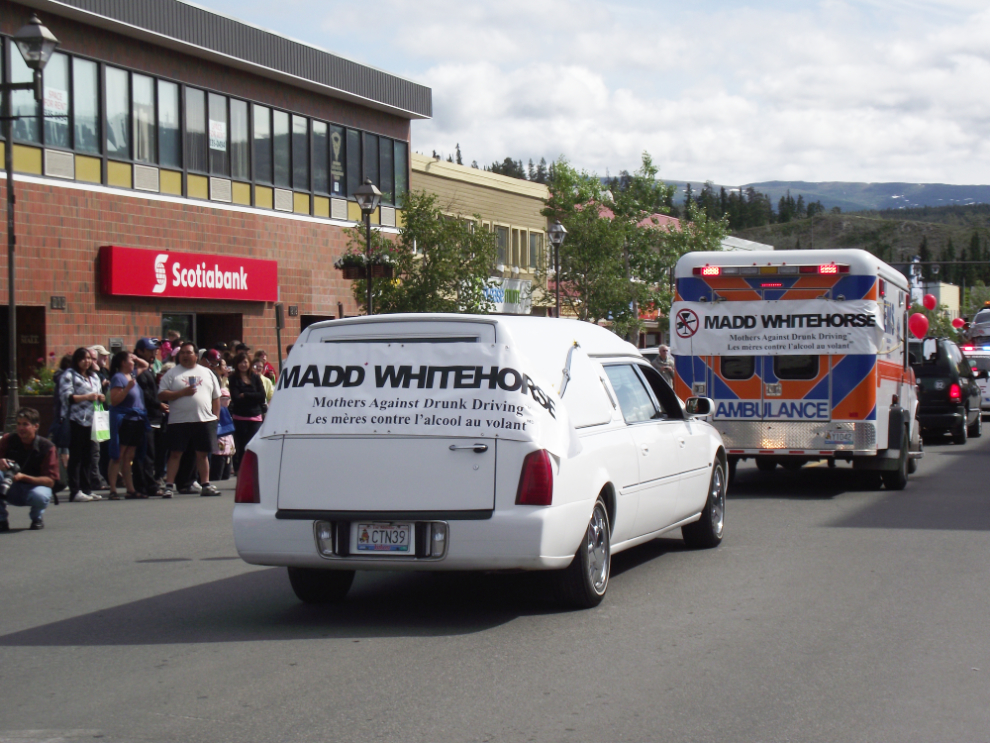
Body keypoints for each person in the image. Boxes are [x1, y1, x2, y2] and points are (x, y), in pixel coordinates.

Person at [157, 341, 222, 498]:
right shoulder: (172, 373)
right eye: (183, 353)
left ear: (196, 355)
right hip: (179, 421)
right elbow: (161, 395)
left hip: (204, 420)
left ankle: (205, 484)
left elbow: (216, 398)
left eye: (188, 352)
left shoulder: (207, 373)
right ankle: (169, 486)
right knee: (175, 453)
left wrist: (216, 418)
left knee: (202, 454)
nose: (185, 355)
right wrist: (180, 393)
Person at [58, 347, 105, 502]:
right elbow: (67, 397)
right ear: (77, 360)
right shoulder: (69, 375)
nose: (87, 361)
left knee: (89, 456)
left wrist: (100, 397)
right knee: (76, 456)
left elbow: (97, 394)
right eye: (83, 358)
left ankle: (87, 488)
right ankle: (75, 490)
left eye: (89, 359)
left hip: (92, 419)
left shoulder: (94, 376)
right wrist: (87, 397)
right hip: (75, 419)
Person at [0, 408, 58, 531]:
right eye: (18, 424)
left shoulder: (47, 447)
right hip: (11, 489)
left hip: (34, 488)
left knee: (40, 495)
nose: (21, 428)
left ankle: (37, 517)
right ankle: (1, 520)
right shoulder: (8, 440)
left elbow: (50, 481)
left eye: (25, 424)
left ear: (35, 426)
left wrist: (22, 477)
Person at [107, 351, 150, 499]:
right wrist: (127, 389)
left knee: (129, 456)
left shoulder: (131, 375)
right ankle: (113, 489)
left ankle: (130, 489)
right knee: (118, 455)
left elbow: (146, 365)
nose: (134, 362)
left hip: (136, 419)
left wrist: (136, 357)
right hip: (125, 419)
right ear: (123, 363)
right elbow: (114, 400)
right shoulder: (118, 378)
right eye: (130, 360)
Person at [133, 338, 167, 496]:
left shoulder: (149, 370)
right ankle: (145, 485)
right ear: (139, 352)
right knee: (146, 454)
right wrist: (158, 404)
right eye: (149, 350)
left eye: (155, 350)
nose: (154, 353)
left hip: (154, 417)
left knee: (153, 453)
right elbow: (144, 395)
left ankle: (149, 483)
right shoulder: (138, 372)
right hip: (144, 417)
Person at [229, 352, 267, 474]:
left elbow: (262, 396)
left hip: (255, 416)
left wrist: (245, 394)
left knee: (252, 446)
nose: (243, 365)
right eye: (240, 362)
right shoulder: (233, 378)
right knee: (241, 447)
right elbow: (235, 398)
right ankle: (240, 472)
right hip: (240, 417)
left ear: (249, 363)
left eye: (245, 362)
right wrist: (252, 397)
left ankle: (253, 472)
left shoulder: (255, 378)